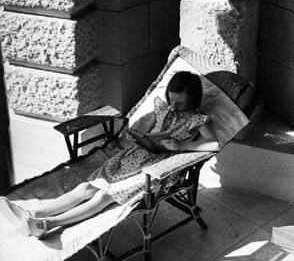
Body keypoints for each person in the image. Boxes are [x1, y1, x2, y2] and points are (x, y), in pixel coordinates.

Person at [0, 71, 219, 239]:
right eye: (171, 99)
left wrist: (180, 146)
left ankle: (48, 224)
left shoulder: (196, 120)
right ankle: (35, 214)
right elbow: (143, 126)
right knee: (88, 186)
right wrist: (136, 135)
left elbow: (214, 143)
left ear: (193, 101)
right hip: (135, 156)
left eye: (179, 102)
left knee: (103, 197)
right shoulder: (162, 108)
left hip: (155, 169)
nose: (173, 106)